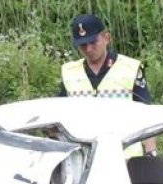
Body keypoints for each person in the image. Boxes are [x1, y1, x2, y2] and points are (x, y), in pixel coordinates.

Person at [59, 13, 156, 154]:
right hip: (84, 159)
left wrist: (151, 153)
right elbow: (60, 118)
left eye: (93, 42)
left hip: (125, 159)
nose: (88, 49)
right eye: (83, 45)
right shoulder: (69, 72)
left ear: (107, 38)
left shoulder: (130, 68)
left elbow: (147, 115)